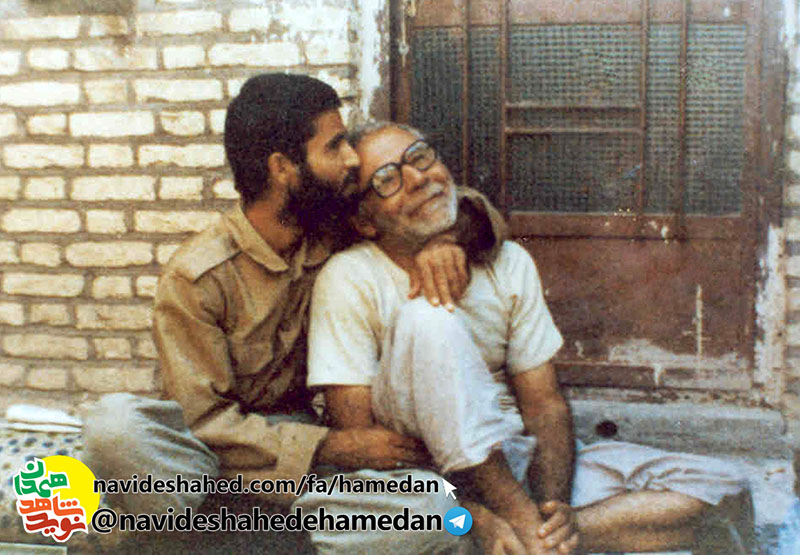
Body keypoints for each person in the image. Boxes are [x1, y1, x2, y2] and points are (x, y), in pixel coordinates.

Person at [83, 74, 507, 553]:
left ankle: (213, 541)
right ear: (283, 168)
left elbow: (471, 208)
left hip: (304, 475)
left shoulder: (333, 227)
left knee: (433, 514)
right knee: (115, 428)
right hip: (218, 466)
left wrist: (447, 239)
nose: (352, 160)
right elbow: (202, 423)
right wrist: (331, 446)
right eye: (335, 147)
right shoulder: (197, 278)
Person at [305, 120, 755, 554]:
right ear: (365, 222)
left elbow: (543, 404)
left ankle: (537, 540)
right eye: (388, 180)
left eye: (420, 157)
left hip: (511, 457)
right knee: (429, 318)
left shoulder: (507, 262)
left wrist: (553, 507)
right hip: (422, 474)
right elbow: (361, 437)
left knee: (725, 488)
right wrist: (485, 510)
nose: (418, 178)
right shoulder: (349, 278)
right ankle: (514, 527)